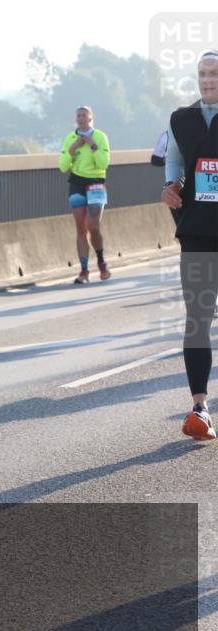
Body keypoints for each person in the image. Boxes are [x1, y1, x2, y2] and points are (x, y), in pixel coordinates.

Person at [161, 49, 218, 441]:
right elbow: (175, 165)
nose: (208, 80)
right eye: (202, 73)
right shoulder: (182, 119)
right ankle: (200, 407)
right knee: (198, 318)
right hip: (197, 228)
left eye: (213, 73)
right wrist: (171, 188)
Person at [59, 106, 112, 284]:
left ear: (91, 118)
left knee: (93, 226)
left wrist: (92, 145)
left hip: (96, 183)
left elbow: (104, 163)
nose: (81, 118)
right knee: (80, 229)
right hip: (76, 184)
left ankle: (101, 261)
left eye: (84, 115)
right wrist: (72, 149)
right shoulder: (70, 138)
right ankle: (83, 270)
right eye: (78, 116)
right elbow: (63, 166)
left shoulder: (100, 137)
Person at [152, 130, 182, 225]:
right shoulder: (168, 134)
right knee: (183, 227)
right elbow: (155, 160)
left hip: (194, 183)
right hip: (174, 186)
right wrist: (171, 159)